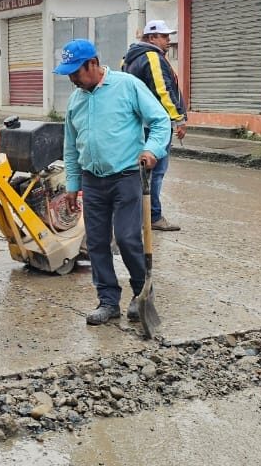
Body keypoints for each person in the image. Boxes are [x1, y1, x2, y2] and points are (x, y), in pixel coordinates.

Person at [55, 39, 171, 326]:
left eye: (75, 72)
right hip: (92, 180)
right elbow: (71, 147)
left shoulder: (127, 86)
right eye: (68, 73)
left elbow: (160, 120)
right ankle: (108, 300)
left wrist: (152, 149)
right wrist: (72, 184)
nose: (72, 79)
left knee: (127, 237)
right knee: (96, 242)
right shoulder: (76, 101)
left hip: (127, 176)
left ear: (92, 64)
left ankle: (140, 293)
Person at [122, 19, 187, 232]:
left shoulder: (128, 59)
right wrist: (178, 118)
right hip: (155, 124)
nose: (169, 40)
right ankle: (153, 216)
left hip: (137, 125)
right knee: (155, 172)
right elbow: (163, 90)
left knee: (140, 172)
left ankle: (138, 214)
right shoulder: (151, 57)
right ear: (151, 38)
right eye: (164, 36)